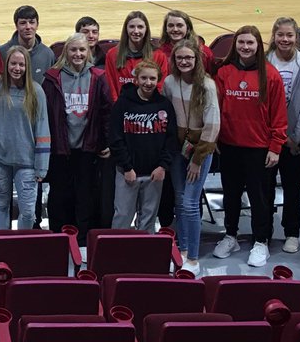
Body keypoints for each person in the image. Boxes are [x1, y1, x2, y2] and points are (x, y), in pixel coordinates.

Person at [213, 25, 287, 268]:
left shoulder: (271, 75)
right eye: (241, 42)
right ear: (235, 45)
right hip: (229, 146)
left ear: (258, 46)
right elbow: (217, 110)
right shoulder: (224, 73)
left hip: (259, 149)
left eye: (250, 43)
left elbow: (278, 115)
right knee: (231, 195)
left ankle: (260, 241)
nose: (245, 47)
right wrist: (214, 138)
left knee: (260, 198)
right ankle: (230, 235)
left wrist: (275, 146)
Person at [42, 33, 111, 254]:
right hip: (60, 148)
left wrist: (105, 141)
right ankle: (58, 237)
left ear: (88, 52)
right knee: (59, 194)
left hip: (87, 148)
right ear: (66, 53)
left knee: (85, 196)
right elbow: (45, 115)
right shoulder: (53, 78)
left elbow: (106, 112)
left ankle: (81, 241)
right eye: (73, 50)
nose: (78, 54)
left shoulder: (98, 76)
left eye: (82, 50)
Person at [163, 38, 218, 274]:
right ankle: (183, 249)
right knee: (179, 200)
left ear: (197, 60)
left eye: (189, 58)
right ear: (174, 60)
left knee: (189, 203)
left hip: (200, 151)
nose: (184, 61)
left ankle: (194, 258)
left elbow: (213, 126)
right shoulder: (169, 83)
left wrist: (197, 159)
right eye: (180, 58)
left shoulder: (207, 86)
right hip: (177, 150)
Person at [0, 46, 50, 231]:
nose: (17, 68)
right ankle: (3, 243)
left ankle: (22, 245)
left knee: (28, 211)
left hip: (27, 161)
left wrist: (41, 166)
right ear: (6, 64)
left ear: (27, 66)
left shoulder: (36, 92)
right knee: (1, 204)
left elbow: (43, 129)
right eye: (13, 63)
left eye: (21, 64)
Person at [267, 17, 300, 255]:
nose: (285, 39)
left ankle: (292, 233)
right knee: (264, 187)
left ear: (297, 37)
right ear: (274, 36)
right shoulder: (264, 62)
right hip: (266, 138)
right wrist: (273, 135)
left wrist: (294, 137)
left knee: (292, 188)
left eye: (289, 35)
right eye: (280, 35)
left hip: (294, 140)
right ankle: (264, 231)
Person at [108, 60, 177, 233]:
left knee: (148, 218)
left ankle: (144, 254)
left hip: (154, 173)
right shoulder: (123, 104)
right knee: (122, 215)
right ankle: (117, 254)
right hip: (127, 172)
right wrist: (127, 167)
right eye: (144, 78)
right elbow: (115, 138)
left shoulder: (164, 105)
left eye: (152, 78)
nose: (148, 82)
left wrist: (163, 166)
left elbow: (171, 139)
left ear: (158, 80)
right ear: (136, 80)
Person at [0, 5, 55, 85]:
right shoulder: (3, 52)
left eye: (32, 22)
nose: (28, 27)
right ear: (16, 26)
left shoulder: (48, 55)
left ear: (37, 25)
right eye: (23, 23)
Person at [153, 11, 214, 76]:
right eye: (171, 26)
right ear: (166, 29)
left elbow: (211, 76)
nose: (175, 29)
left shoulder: (204, 52)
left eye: (179, 25)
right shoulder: (159, 53)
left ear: (188, 28)